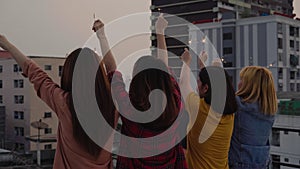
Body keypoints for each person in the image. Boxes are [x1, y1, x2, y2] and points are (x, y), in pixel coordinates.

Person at [0, 19, 117, 169]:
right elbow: (112, 70)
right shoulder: (112, 103)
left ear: (69, 76)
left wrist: (7, 45)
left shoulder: (66, 104)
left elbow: (35, 73)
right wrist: (102, 37)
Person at [106, 14, 187, 169]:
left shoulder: (129, 109)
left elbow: (111, 72)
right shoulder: (174, 103)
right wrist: (160, 32)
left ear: (136, 83)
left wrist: (102, 36)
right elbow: (164, 67)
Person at [179, 49, 237, 169]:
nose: (196, 86)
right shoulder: (229, 114)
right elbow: (214, 85)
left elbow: (183, 83)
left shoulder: (198, 108)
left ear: (205, 88)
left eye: (198, 82)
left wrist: (186, 62)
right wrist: (202, 66)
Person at [228, 66, 278, 169]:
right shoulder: (269, 109)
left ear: (249, 85)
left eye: (242, 79)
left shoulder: (239, 105)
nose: (239, 83)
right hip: (262, 163)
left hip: (238, 162)